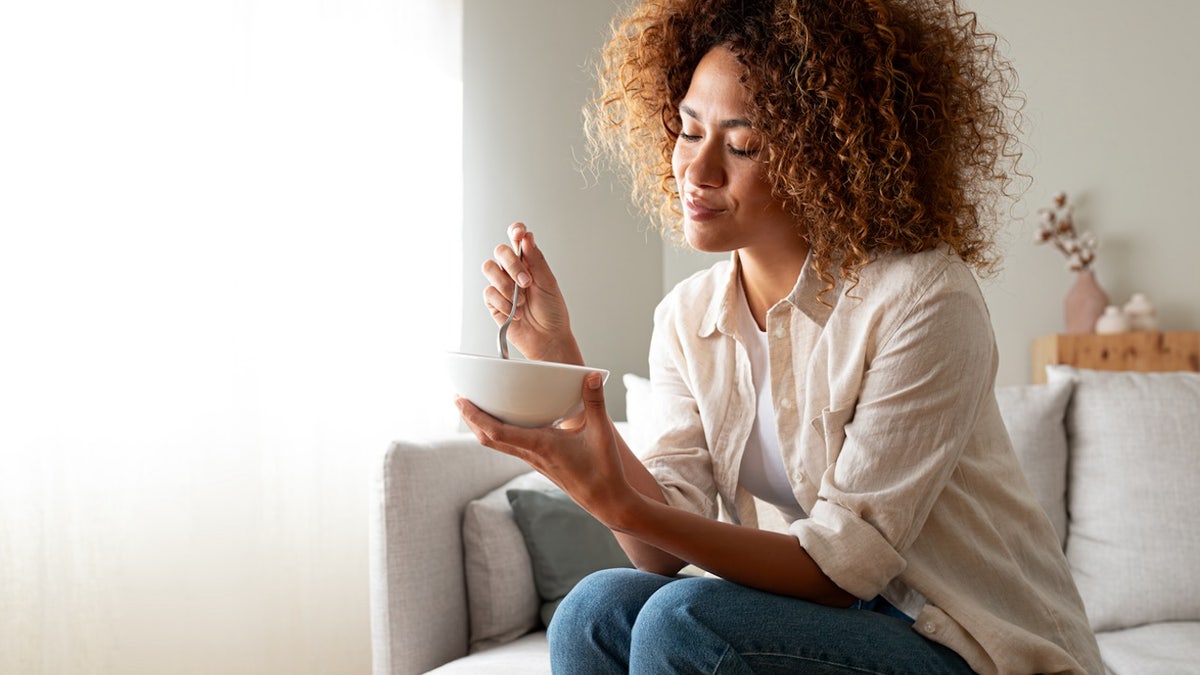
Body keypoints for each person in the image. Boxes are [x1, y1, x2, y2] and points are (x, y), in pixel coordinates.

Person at [455, 0, 1104, 672]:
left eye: (743, 146)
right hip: (839, 625)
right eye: (687, 130)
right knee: (594, 611)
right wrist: (559, 365)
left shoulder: (924, 297)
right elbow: (658, 545)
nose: (697, 171)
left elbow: (841, 567)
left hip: (969, 644)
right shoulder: (687, 318)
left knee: (683, 623)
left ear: (825, 159)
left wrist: (618, 501)